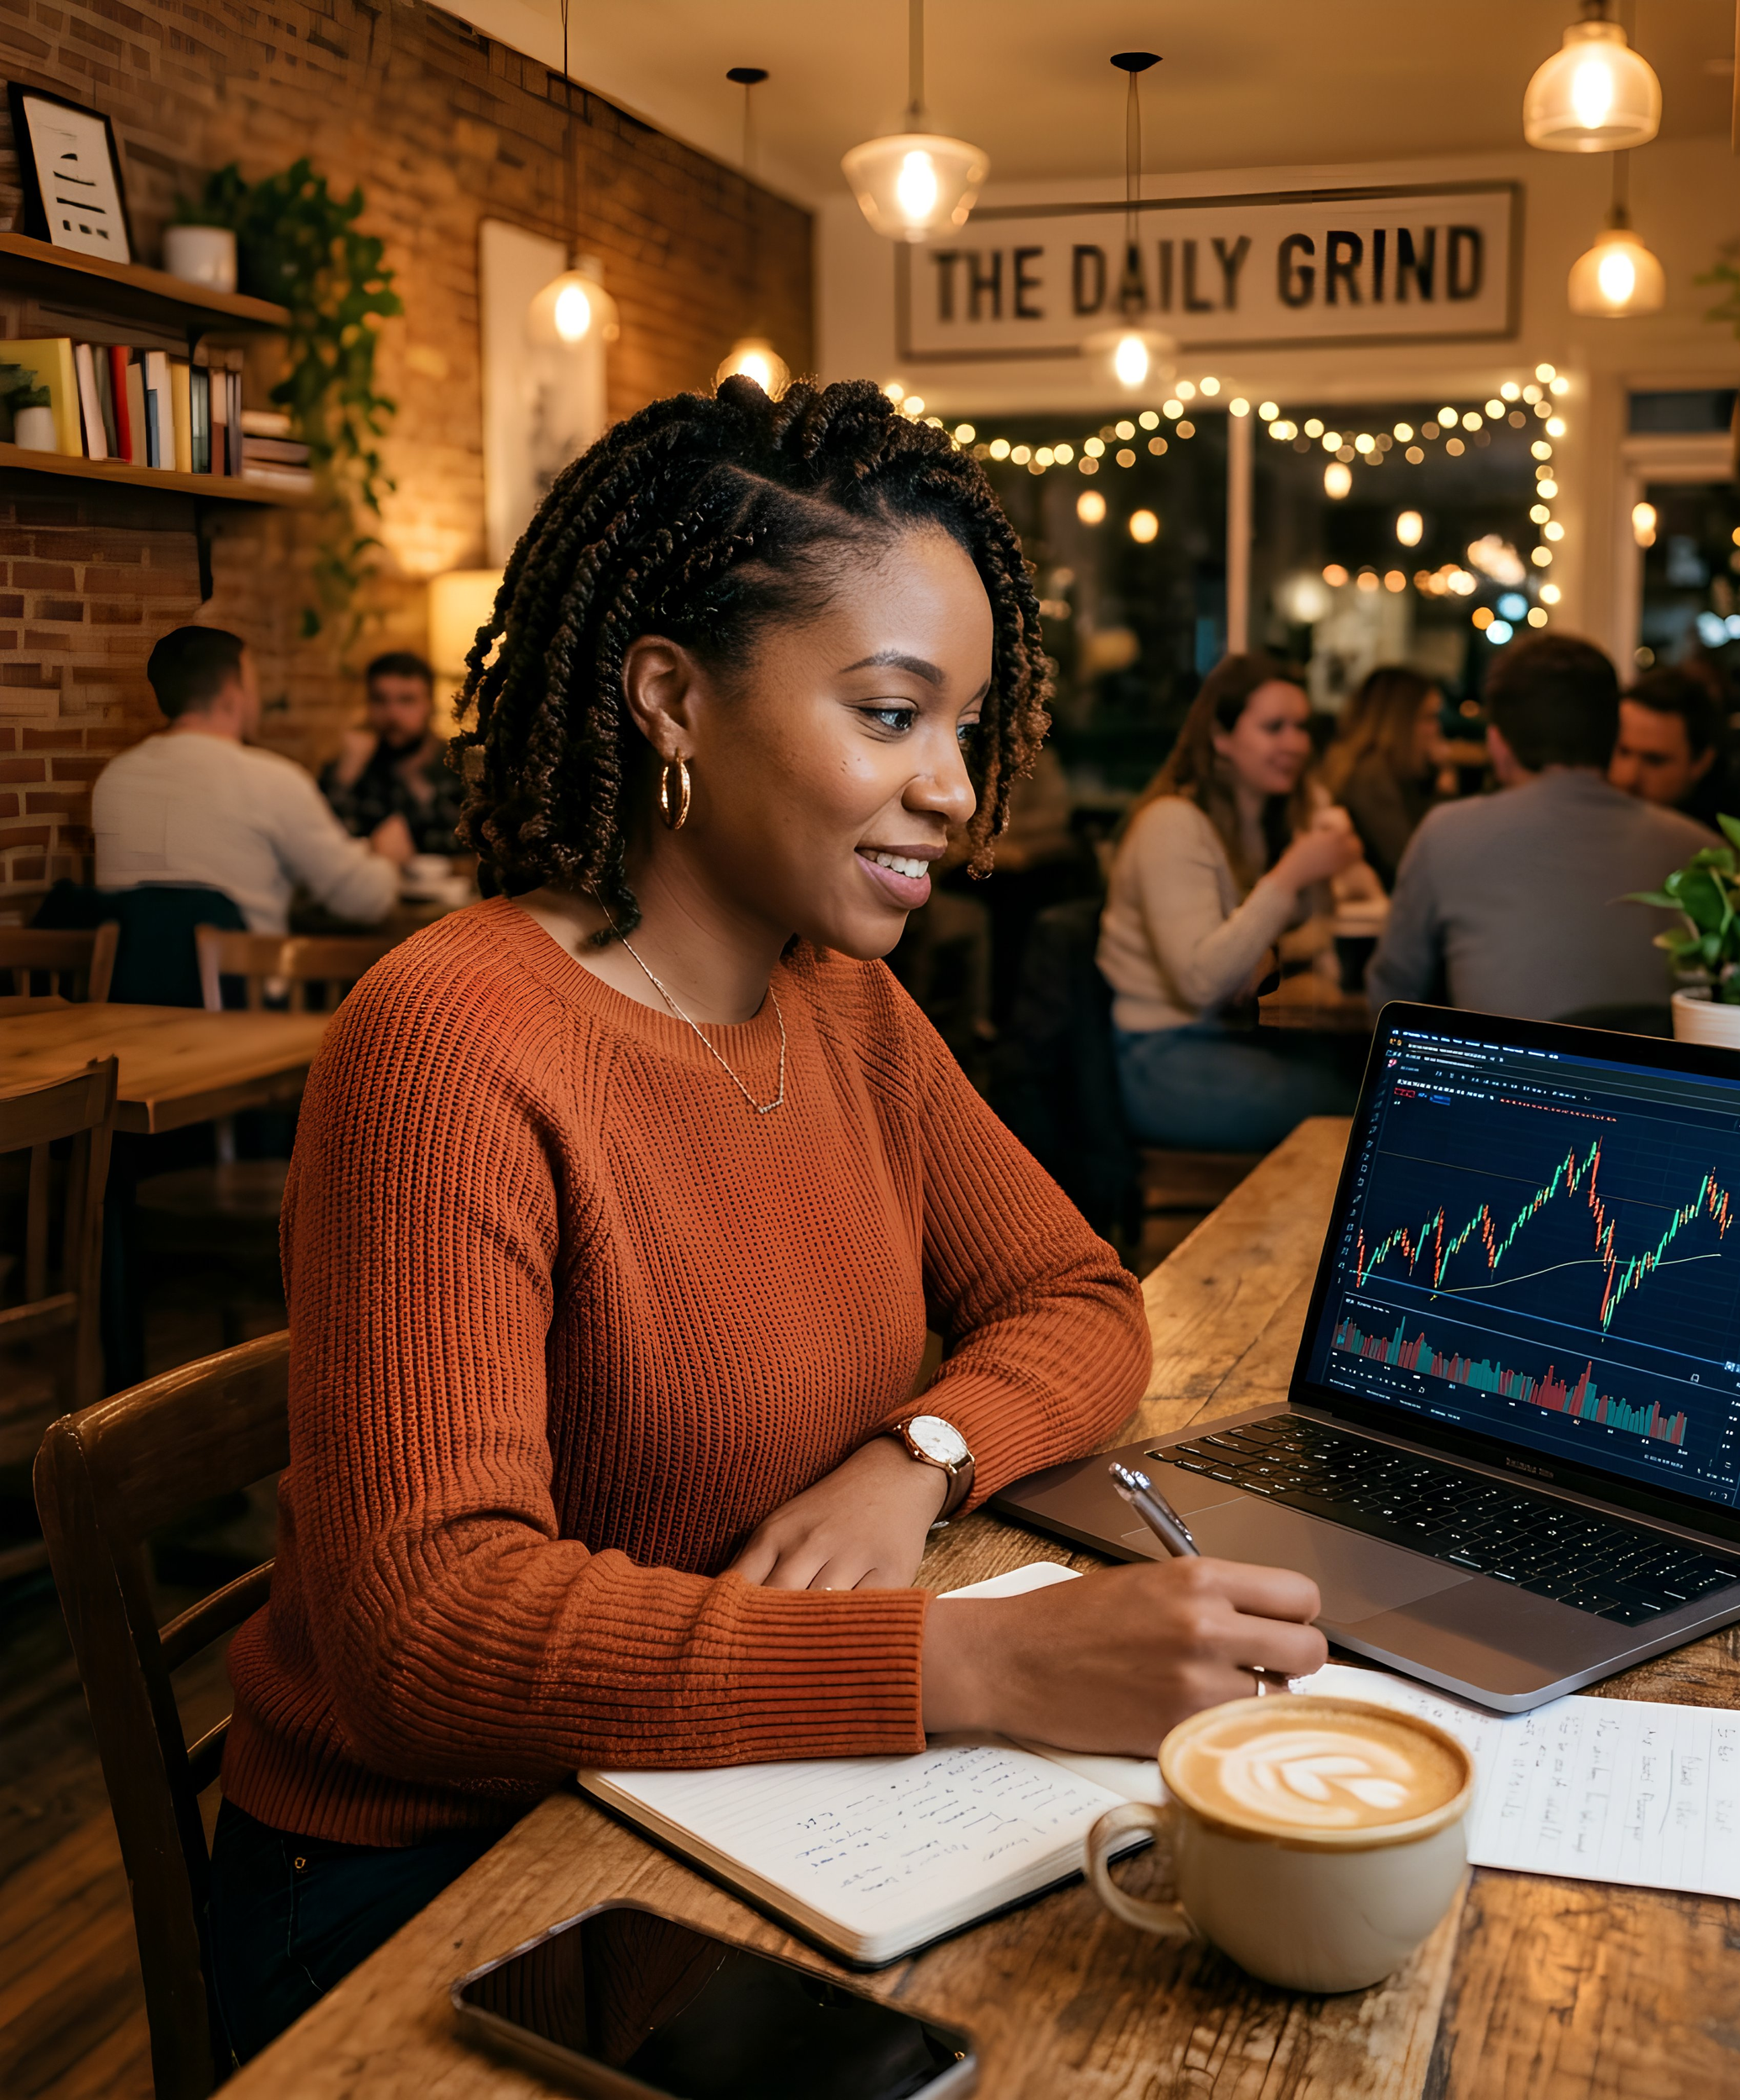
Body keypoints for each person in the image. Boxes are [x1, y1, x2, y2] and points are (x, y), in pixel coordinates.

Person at [205, 381, 1328, 2061]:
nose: (952, 789)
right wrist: (979, 1664)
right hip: (435, 1876)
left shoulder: (842, 1007)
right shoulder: (451, 1035)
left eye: (961, 724)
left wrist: (920, 1453)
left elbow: (1075, 1295)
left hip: (733, 1782)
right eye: (889, 715)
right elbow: (422, 1638)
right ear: (669, 695)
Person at [1097, 653, 1377, 1151]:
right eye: (1274, 727)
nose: (1295, 743)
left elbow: (1319, 927)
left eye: (1301, 727)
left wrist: (1316, 842)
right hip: (1164, 1061)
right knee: (1361, 1106)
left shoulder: (1256, 822)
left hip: (1223, 1040)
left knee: (1367, 1077)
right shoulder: (1172, 824)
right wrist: (1292, 874)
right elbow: (1203, 982)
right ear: (1221, 738)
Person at [1365, 634, 1717, 1020]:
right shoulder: (1706, 852)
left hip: (1505, 1079)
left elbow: (1392, 998)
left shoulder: (1445, 834)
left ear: (1498, 745)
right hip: (1658, 1082)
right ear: (1613, 738)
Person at [92, 625, 408, 935]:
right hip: (240, 985)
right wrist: (386, 859)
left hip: (126, 983)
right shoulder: (272, 780)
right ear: (232, 695)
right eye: (254, 684)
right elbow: (363, 900)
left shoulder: (115, 778)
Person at [1609, 666, 1740, 846]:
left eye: (1655, 760)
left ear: (1702, 761)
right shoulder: (1599, 803)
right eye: (1623, 751)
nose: (1629, 777)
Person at [319, 649, 468, 857]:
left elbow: (469, 844)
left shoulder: (457, 766)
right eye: (380, 700)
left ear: (429, 705)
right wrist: (346, 776)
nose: (392, 713)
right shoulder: (353, 768)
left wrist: (420, 785)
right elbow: (319, 844)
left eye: (406, 700)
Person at [1321, 664, 1450, 888]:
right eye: (1428, 718)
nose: (1436, 729)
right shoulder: (1370, 778)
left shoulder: (1393, 774)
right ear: (1400, 721)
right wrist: (1444, 788)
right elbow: (1411, 863)